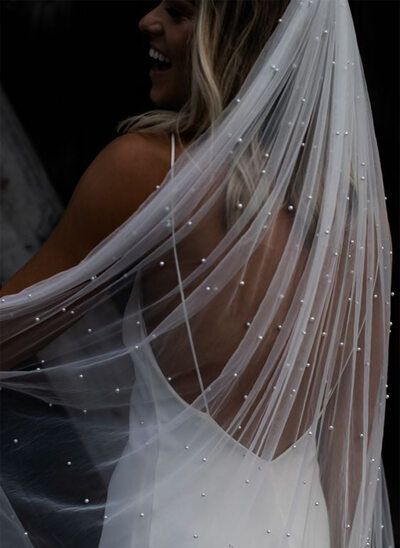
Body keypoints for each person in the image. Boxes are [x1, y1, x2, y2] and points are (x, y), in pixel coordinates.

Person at [0, 1, 394, 547]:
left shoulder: (150, 173)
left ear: (235, 38)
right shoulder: (354, 225)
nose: (148, 20)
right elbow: (353, 445)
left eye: (181, 11)